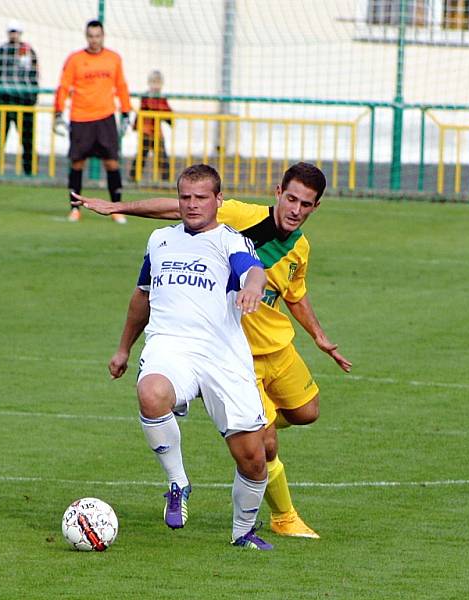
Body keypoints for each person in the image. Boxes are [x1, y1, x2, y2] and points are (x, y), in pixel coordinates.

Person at [73, 162, 352, 539]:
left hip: (265, 346)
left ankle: (245, 507)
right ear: (277, 193)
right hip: (224, 351)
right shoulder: (229, 219)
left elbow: (286, 289)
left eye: (305, 204)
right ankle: (276, 515)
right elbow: (176, 211)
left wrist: (318, 336)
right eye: (291, 199)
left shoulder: (296, 246)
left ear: (315, 207)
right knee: (262, 443)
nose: (295, 210)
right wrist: (118, 206)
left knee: (305, 414)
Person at [111, 163, 273, 550]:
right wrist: (123, 348)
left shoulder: (230, 240)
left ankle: (243, 532)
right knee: (150, 393)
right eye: (185, 197)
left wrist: (251, 289)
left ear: (219, 200)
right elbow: (142, 296)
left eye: (201, 197)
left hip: (223, 356)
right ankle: (178, 483)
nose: (192, 205)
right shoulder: (160, 240)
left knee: (253, 458)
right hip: (171, 347)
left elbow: (254, 272)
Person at [54, 19, 132, 223]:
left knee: (112, 162)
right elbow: (63, 86)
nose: (94, 40)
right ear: (86, 36)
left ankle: (116, 209)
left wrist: (125, 112)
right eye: (91, 36)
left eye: (98, 36)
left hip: (105, 117)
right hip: (81, 118)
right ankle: (75, 209)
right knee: (77, 163)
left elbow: (121, 86)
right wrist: (58, 112)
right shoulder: (75, 59)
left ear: (103, 36)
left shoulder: (114, 58)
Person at [0, 20, 39, 176]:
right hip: (2, 101)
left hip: (24, 103)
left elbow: (34, 76)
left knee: (27, 140)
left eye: (16, 32)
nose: (14, 35)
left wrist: (32, 99)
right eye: (12, 32)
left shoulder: (29, 52)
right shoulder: (0, 52)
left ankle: (29, 172)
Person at [130, 70, 173, 182]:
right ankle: (133, 177)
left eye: (158, 83)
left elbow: (168, 112)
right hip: (146, 130)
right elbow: (144, 109)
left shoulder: (162, 98)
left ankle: (166, 179)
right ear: (149, 83)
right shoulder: (146, 96)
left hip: (157, 132)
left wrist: (169, 119)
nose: (156, 86)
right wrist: (136, 126)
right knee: (141, 155)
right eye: (153, 82)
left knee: (162, 156)